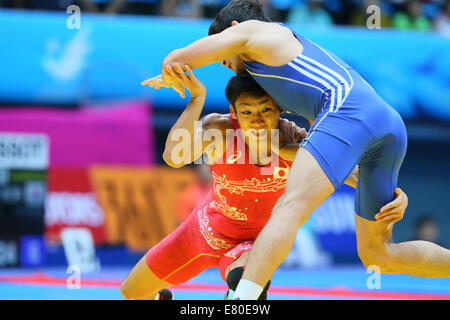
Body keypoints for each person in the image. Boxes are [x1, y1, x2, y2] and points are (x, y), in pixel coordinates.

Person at [143, 0, 450, 299]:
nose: (224, 63)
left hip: (349, 110)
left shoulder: (255, 32)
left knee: (291, 205)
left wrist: (174, 72)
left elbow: (176, 58)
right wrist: (393, 192)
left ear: (233, 29)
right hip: (386, 124)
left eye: (223, 51)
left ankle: (242, 301)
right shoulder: (282, 74)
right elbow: (337, 146)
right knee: (379, 255)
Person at [121, 66, 407, 300]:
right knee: (132, 292)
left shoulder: (298, 142)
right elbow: (173, 156)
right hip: (201, 234)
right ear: (234, 113)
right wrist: (196, 100)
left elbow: (358, 175)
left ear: (280, 109)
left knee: (246, 287)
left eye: (265, 111)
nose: (256, 121)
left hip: (252, 246)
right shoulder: (219, 130)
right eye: (246, 112)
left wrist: (395, 196)